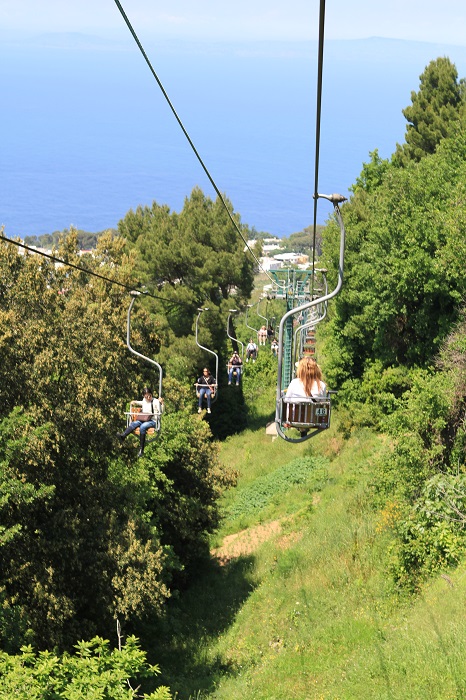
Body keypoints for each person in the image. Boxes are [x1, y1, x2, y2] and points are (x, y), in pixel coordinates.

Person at [285, 357, 326, 437]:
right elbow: (322, 404)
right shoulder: (321, 385)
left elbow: (286, 400)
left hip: (294, 419)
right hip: (313, 421)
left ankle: (301, 428)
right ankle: (303, 429)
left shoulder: (294, 383)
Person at [117, 387, 164, 457]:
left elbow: (161, 412)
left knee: (143, 427)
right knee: (134, 423)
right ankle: (123, 436)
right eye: (146, 396)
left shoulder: (155, 401)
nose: (148, 398)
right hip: (144, 419)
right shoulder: (144, 401)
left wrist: (162, 404)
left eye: (150, 395)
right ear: (144, 396)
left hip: (152, 421)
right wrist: (135, 402)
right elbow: (142, 403)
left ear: (151, 394)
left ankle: (141, 449)